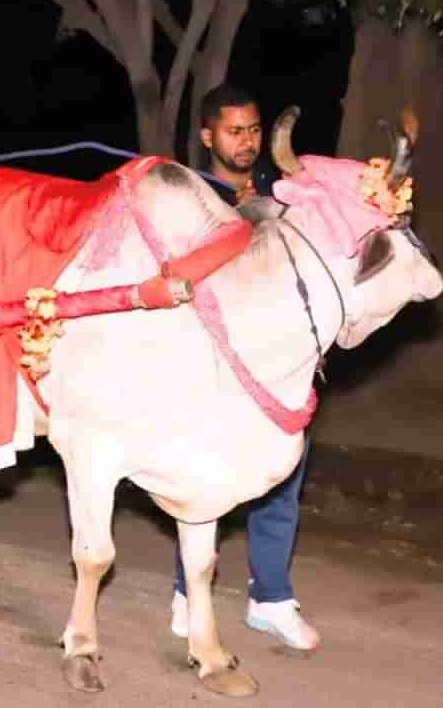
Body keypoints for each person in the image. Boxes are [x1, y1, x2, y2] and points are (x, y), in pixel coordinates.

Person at [169, 83, 321, 651]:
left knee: (281, 478)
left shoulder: (278, 189)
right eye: (235, 131)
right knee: (203, 481)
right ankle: (188, 591)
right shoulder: (183, 195)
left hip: (276, 363)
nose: (248, 141)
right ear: (208, 135)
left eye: (254, 129)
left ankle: (272, 600)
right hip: (208, 361)